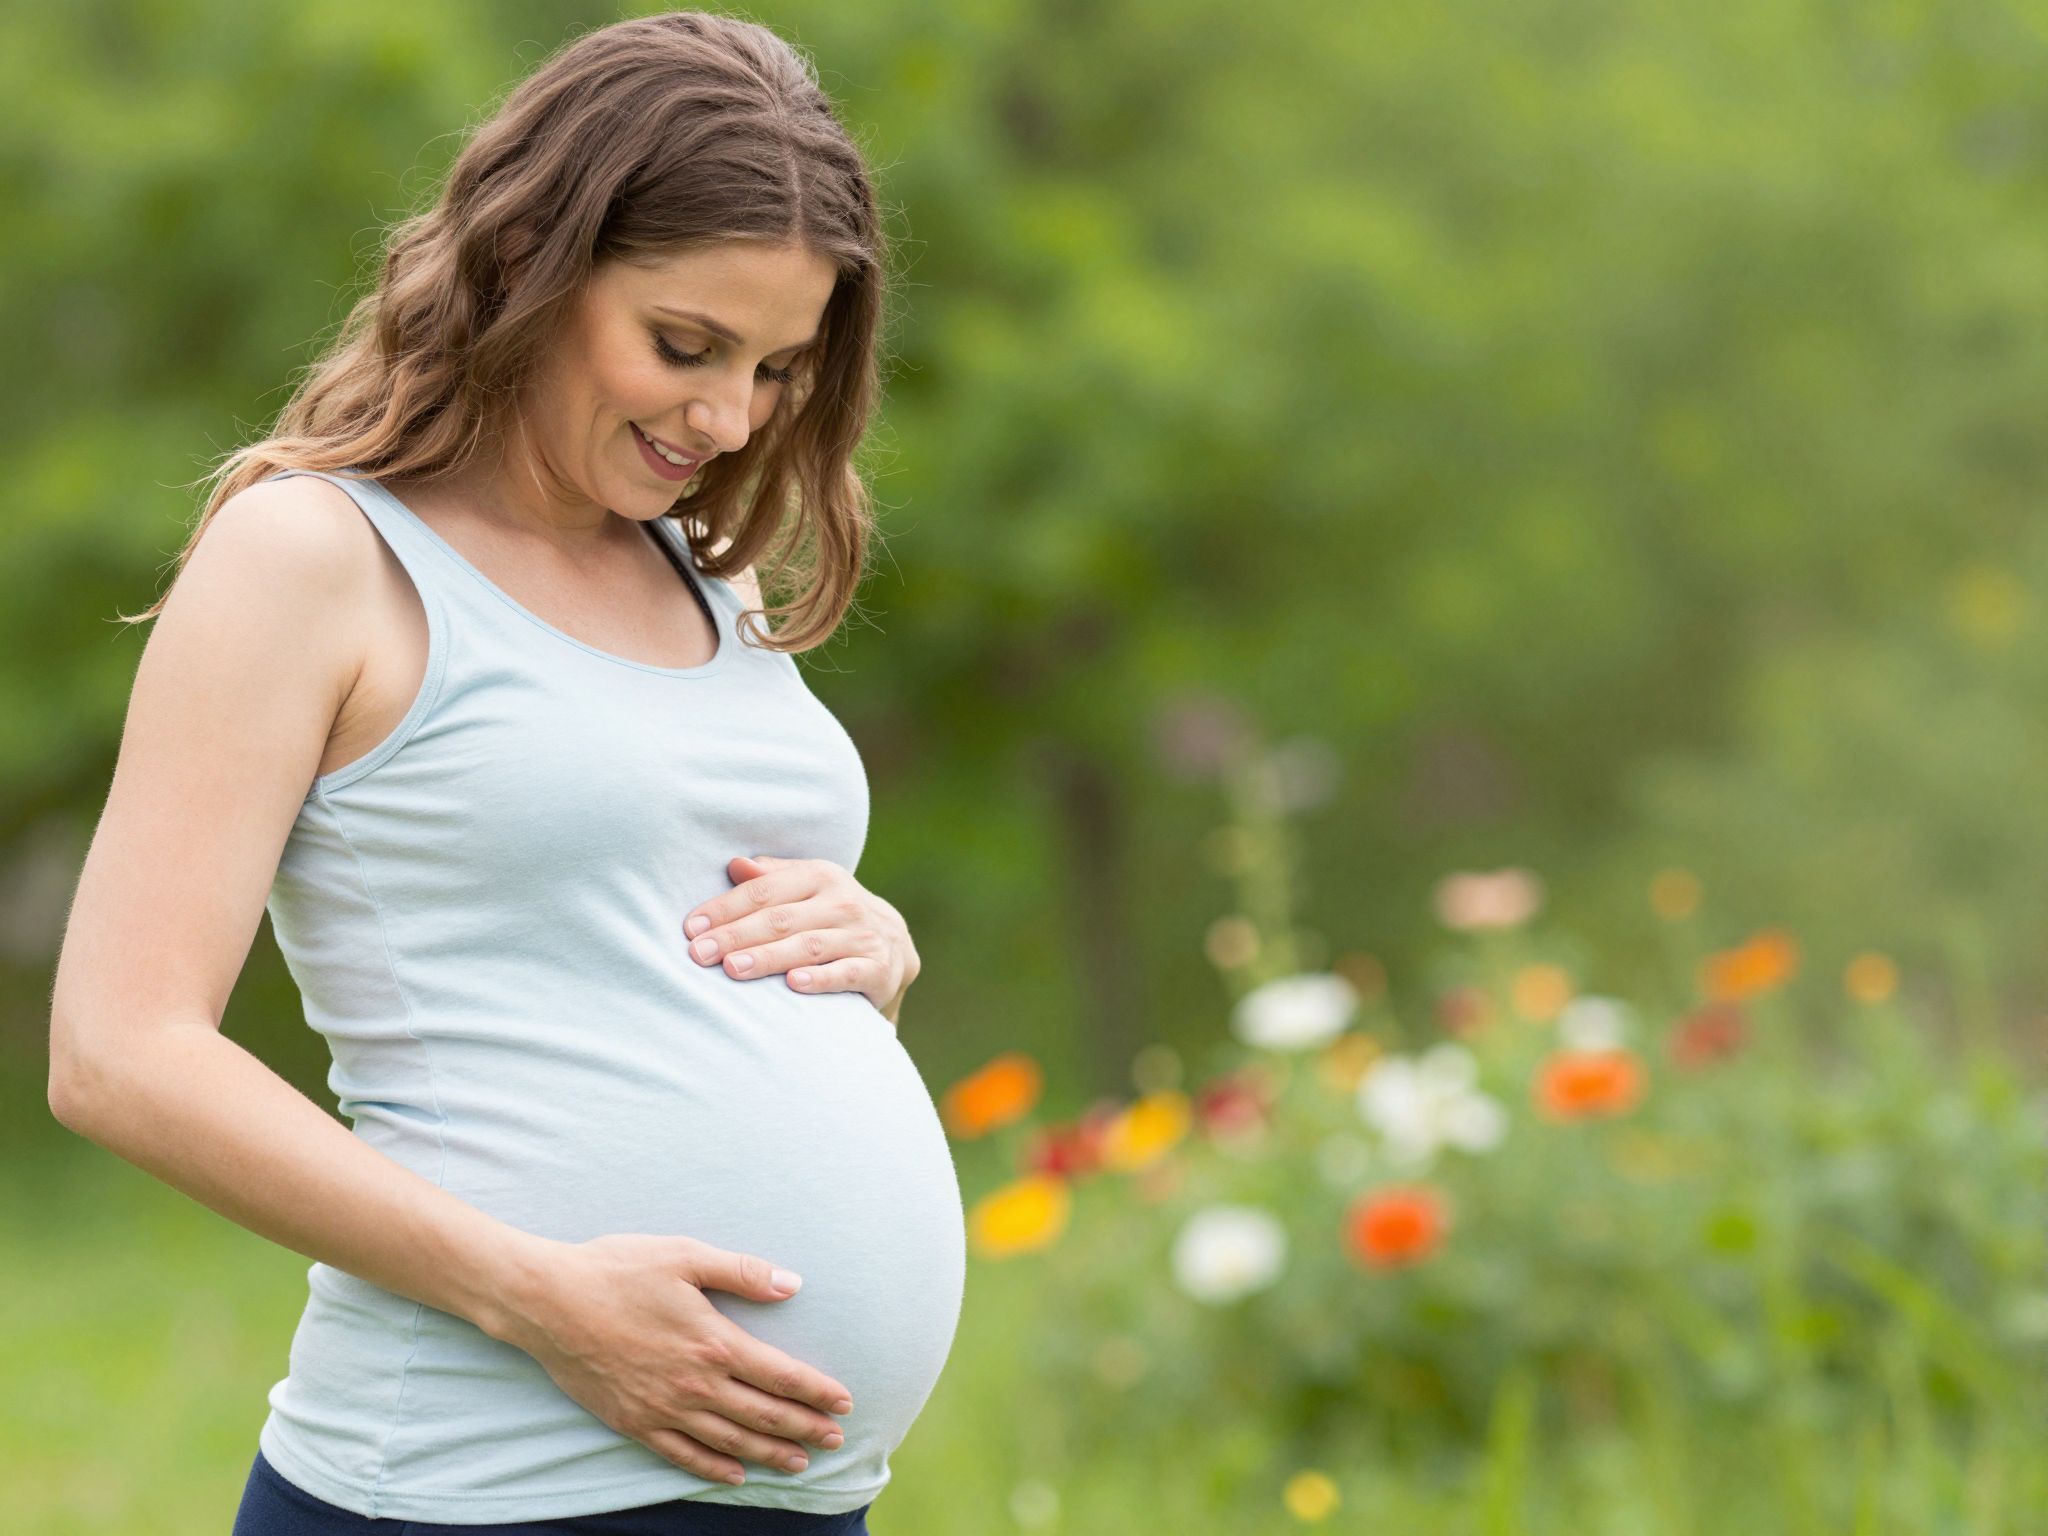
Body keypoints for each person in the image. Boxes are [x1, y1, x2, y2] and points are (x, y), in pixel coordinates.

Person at [44, 12, 967, 1533]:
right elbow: (118, 1051)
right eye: (684, 346)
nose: (727, 416)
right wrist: (537, 1296)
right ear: (533, 260)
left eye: (779, 368)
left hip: (785, 1498)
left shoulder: (703, 577)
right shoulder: (318, 559)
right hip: (472, 1486)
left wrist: (871, 946)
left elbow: (617, 932)